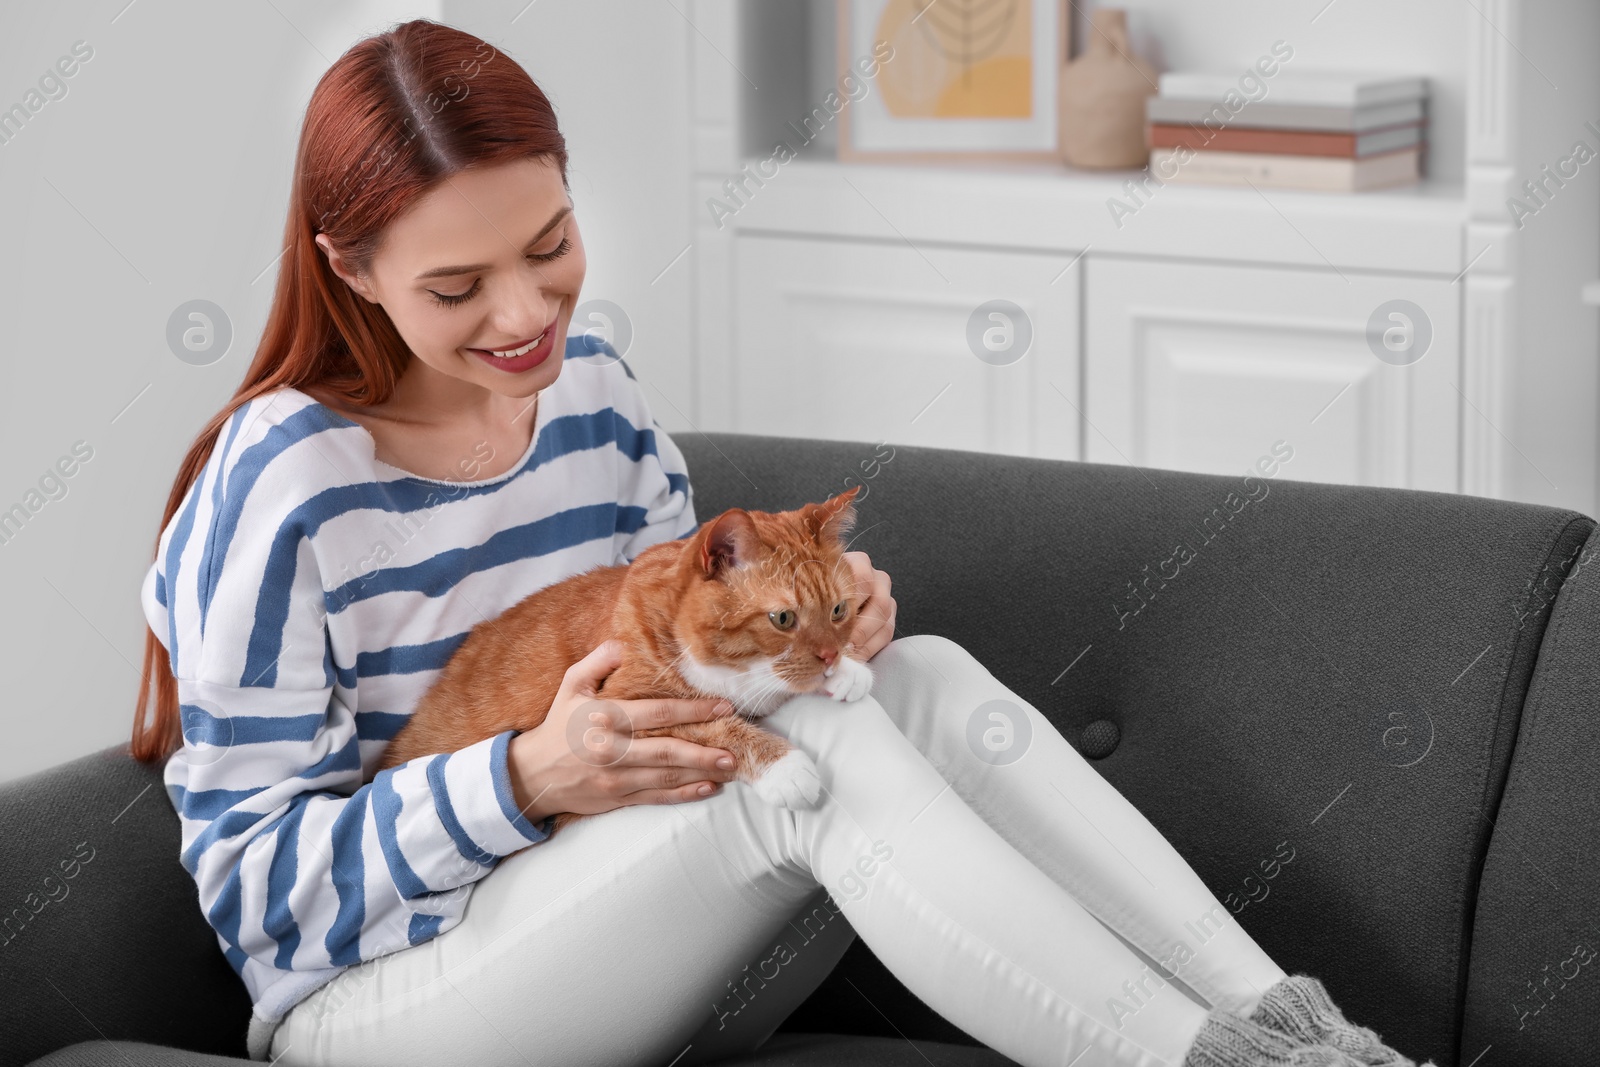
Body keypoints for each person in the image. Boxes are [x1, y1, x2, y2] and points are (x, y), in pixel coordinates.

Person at [130, 19, 1431, 1067]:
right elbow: (258, 897)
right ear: (349, 270)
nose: (527, 315)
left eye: (551, 245)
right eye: (457, 289)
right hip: (380, 1004)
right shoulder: (281, 482)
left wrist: (827, 633)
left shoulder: (593, 396)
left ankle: (1310, 1038)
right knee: (818, 751)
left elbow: (700, 657)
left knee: (925, 680)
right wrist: (526, 778)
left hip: (633, 938)